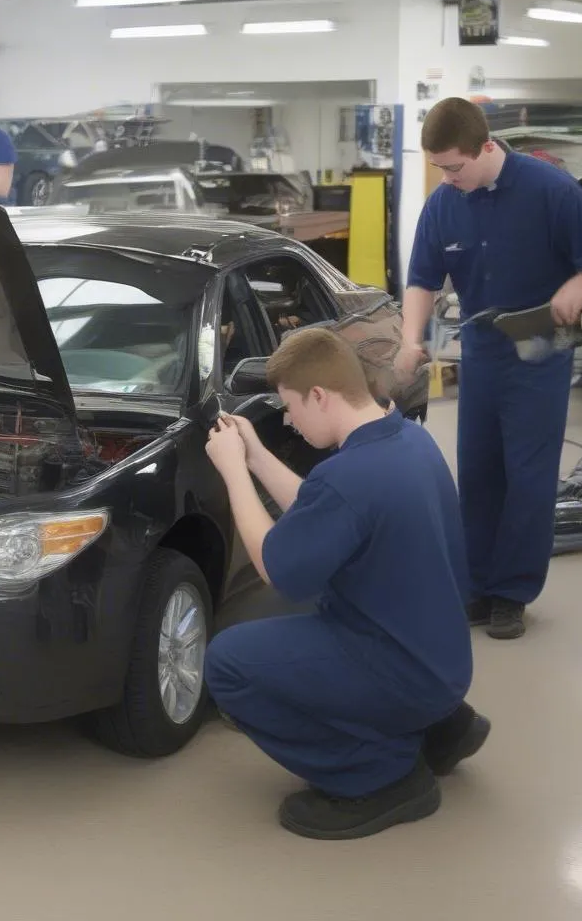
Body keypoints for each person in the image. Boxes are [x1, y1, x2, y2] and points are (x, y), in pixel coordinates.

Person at [204, 328, 487, 840]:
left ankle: (380, 777)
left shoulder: (350, 476)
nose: (287, 419)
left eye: (290, 406)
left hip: (402, 670)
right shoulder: (406, 439)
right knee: (325, 596)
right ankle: (441, 727)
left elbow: (276, 565)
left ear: (319, 395)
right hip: (442, 661)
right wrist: (255, 455)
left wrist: (233, 474)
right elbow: (325, 508)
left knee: (229, 662)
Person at [395, 98, 582, 640]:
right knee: (477, 471)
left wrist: (578, 286)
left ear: (486, 148)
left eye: (454, 167)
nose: (447, 179)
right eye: (439, 169)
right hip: (482, 352)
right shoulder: (445, 203)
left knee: (528, 476)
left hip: (540, 350)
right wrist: (410, 339)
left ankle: (512, 593)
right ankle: (476, 585)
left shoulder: (552, 190)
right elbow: (423, 279)